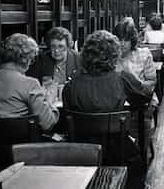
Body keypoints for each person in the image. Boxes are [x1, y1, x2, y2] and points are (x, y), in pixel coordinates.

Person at [62, 30, 150, 189]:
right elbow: (144, 98)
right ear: (114, 55)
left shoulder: (70, 86)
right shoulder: (121, 78)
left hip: (81, 151)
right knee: (139, 164)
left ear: (85, 56)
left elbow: (66, 119)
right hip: (117, 151)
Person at [0, 33, 59, 131]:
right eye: (32, 59)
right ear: (26, 60)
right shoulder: (30, 84)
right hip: (24, 144)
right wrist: (49, 101)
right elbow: (47, 124)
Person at [113, 20, 157, 99]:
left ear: (132, 40)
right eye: (120, 40)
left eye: (126, 40)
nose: (122, 44)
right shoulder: (110, 57)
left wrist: (136, 84)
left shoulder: (144, 54)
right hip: (116, 100)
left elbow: (152, 82)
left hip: (140, 98)